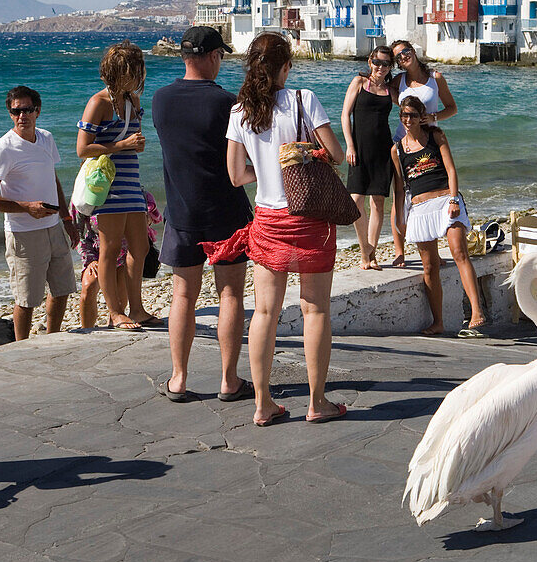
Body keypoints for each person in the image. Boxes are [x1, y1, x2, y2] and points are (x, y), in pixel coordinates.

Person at [206, 32, 347, 426]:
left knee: (265, 311)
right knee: (315, 308)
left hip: (268, 220)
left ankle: (263, 404)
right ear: (286, 66)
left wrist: (266, 171)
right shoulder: (304, 99)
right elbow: (335, 154)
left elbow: (236, 176)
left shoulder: (239, 113)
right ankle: (317, 403)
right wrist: (301, 158)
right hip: (310, 218)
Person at [151, 26, 253, 403]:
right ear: (212, 57)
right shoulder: (229, 102)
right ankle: (229, 380)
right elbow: (241, 158)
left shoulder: (161, 100)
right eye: (221, 56)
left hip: (180, 211)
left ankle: (178, 379)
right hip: (225, 211)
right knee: (230, 294)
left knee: (182, 295)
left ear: (183, 57)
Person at [0, 86, 79, 341]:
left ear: (37, 111)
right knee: (26, 299)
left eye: (27, 110)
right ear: (10, 113)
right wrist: (26, 207)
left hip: (54, 227)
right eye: (16, 111)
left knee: (62, 289)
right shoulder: (3, 149)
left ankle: (52, 338)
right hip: (23, 233)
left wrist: (67, 218)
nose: (22, 116)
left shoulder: (47, 138)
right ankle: (21, 346)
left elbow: (54, 179)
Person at [75, 41, 157, 331]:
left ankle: (137, 308)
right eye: (134, 71)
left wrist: (134, 145)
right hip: (108, 188)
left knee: (140, 247)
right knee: (109, 250)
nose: (139, 77)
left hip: (131, 183)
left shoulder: (133, 101)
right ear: (120, 72)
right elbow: (82, 149)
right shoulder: (99, 103)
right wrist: (122, 145)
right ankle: (115, 311)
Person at [391, 96, 485, 335]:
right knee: (429, 266)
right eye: (404, 115)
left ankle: (476, 312)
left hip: (446, 201)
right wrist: (400, 219)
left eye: (412, 115)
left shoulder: (436, 136)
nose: (407, 120)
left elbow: (451, 170)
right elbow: (400, 187)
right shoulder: (397, 149)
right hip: (420, 209)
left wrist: (454, 199)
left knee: (459, 252)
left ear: (421, 116)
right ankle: (438, 322)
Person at [389, 40, 458, 268]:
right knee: (400, 193)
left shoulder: (435, 78)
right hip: (402, 143)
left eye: (406, 52)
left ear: (414, 52)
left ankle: (432, 253)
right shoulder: (398, 81)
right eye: (398, 56)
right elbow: (383, 93)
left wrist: (434, 117)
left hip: (429, 142)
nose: (403, 57)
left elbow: (452, 108)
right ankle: (400, 251)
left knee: (429, 194)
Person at [70, 189, 162, 329]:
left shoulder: (139, 194)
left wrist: (145, 218)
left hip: (125, 253)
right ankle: (86, 330)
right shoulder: (85, 194)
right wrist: (89, 260)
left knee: (120, 299)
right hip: (95, 252)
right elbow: (79, 233)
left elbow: (151, 220)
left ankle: (114, 323)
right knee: (89, 286)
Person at [341, 45, 398, 271]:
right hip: (359, 149)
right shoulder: (359, 82)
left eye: (386, 64)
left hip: (383, 150)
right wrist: (350, 145)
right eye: (378, 62)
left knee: (377, 202)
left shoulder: (389, 90)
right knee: (355, 201)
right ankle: (366, 249)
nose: (381, 67)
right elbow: (345, 115)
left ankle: (370, 255)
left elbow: (408, 105)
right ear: (370, 61)